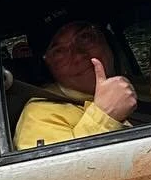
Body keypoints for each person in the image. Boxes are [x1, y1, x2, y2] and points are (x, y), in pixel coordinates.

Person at [13, 18, 138, 150]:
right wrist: (104, 118)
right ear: (47, 66)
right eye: (59, 51)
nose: (78, 55)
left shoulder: (140, 84)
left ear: (106, 39)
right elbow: (57, 164)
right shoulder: (39, 116)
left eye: (84, 37)